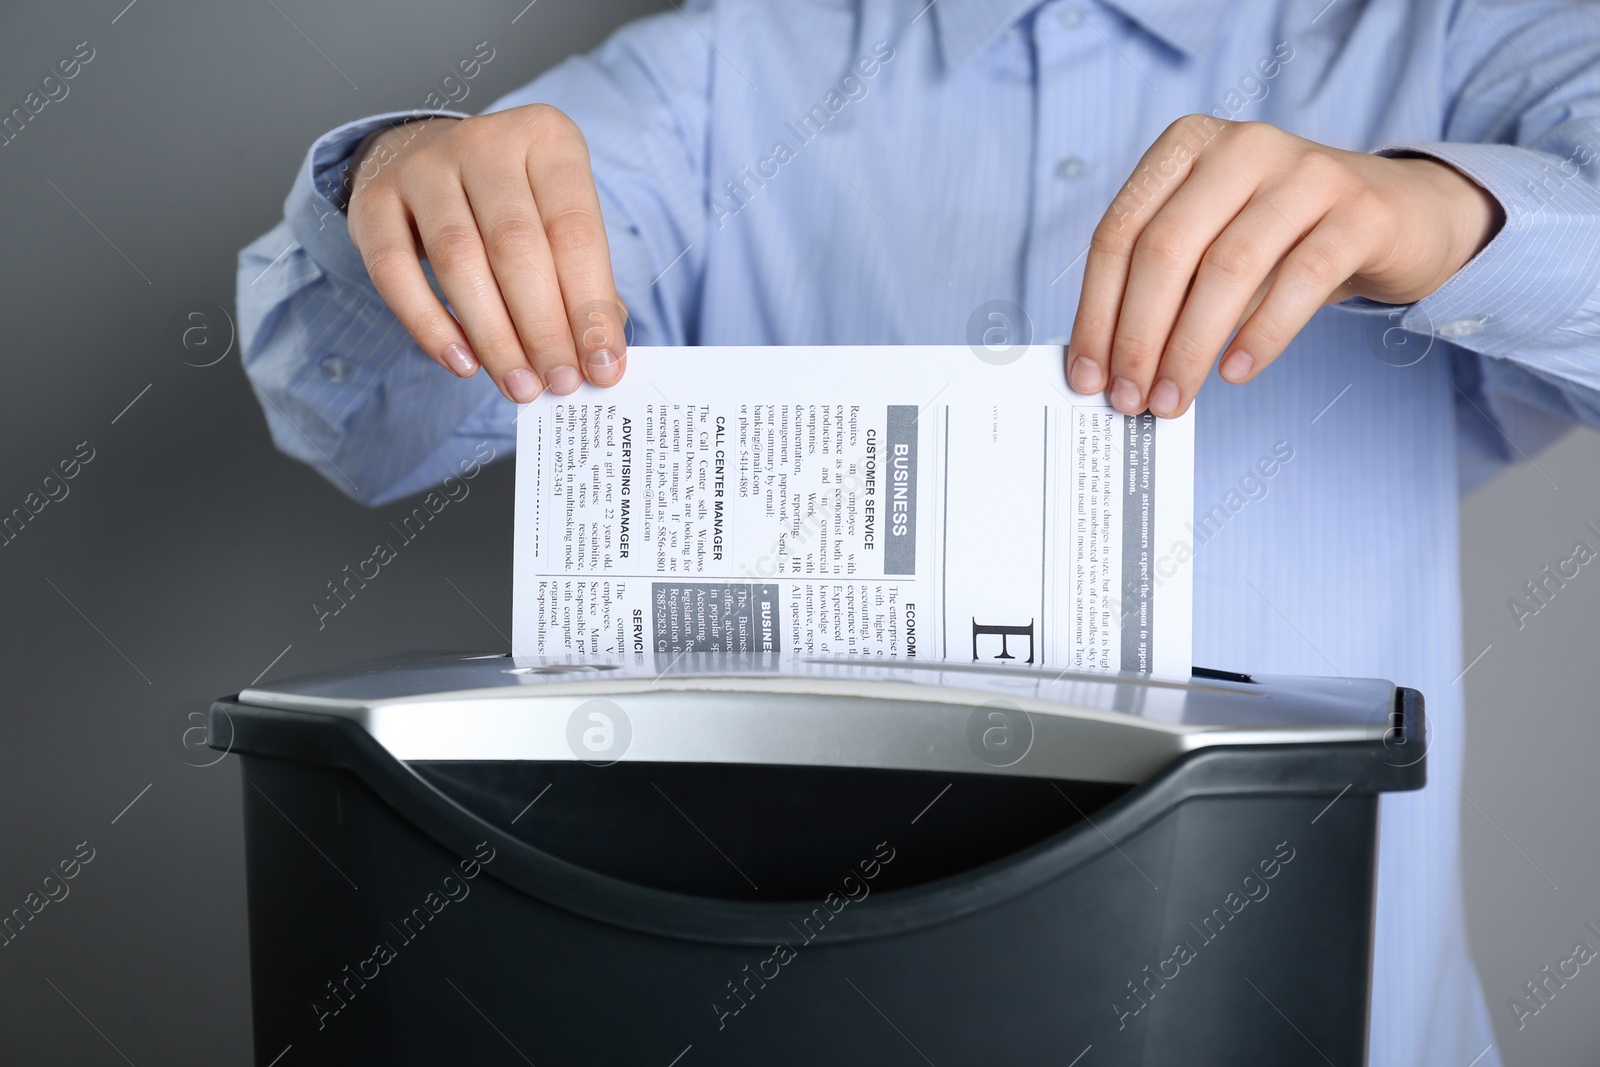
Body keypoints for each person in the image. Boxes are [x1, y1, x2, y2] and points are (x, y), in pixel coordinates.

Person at [236, 0, 1600, 1061]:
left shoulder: (1456, 35)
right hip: (779, 1015)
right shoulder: (723, 79)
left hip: (1311, 1019)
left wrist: (1449, 211)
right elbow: (355, 417)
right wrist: (401, 187)